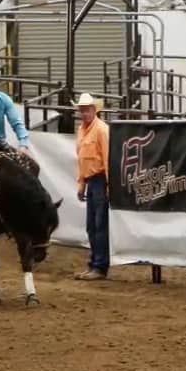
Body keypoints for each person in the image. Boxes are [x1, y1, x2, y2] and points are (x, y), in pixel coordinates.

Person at [73, 93, 110, 281]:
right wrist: (81, 183)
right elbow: (81, 158)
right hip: (91, 181)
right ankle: (95, 263)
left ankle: (99, 266)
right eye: (82, 110)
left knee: (99, 225)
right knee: (92, 226)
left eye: (87, 109)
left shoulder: (102, 130)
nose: (84, 112)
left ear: (94, 110)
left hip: (100, 179)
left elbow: (107, 158)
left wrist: (109, 184)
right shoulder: (82, 130)